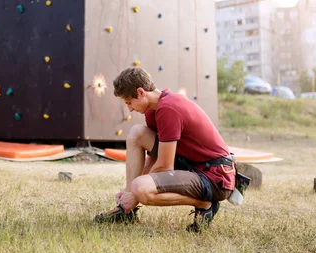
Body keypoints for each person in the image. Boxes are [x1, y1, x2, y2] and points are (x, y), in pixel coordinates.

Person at [93, 67, 236, 232]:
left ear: (141, 92)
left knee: (142, 188)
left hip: (214, 177)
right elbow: (155, 156)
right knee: (136, 133)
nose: (130, 109)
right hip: (191, 164)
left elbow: (164, 166)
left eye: (129, 102)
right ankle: (126, 211)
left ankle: (205, 204)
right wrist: (129, 191)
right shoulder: (152, 110)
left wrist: (135, 194)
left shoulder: (168, 108)